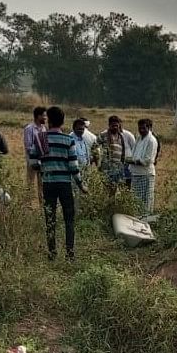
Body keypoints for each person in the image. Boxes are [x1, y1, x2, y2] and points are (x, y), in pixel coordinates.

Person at [31, 106, 86, 261]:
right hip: (65, 184)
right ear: (62, 122)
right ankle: (70, 254)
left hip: (48, 183)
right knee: (69, 219)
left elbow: (34, 162)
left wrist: (45, 167)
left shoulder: (40, 138)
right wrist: (81, 185)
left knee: (50, 219)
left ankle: (52, 253)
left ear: (49, 120)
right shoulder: (69, 140)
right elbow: (73, 167)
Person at [127, 118, 159, 216]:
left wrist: (133, 161)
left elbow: (147, 160)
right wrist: (130, 160)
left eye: (143, 128)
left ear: (149, 128)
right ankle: (136, 219)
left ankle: (145, 221)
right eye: (139, 128)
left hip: (146, 174)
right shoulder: (139, 138)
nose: (141, 130)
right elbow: (134, 154)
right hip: (135, 173)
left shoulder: (151, 141)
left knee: (145, 201)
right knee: (135, 199)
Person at [96, 115, 128, 192]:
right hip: (106, 168)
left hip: (118, 167)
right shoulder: (103, 135)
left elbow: (122, 154)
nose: (115, 127)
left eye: (117, 126)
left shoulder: (121, 136)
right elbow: (94, 147)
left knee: (115, 190)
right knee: (106, 189)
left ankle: (112, 204)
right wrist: (97, 162)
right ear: (109, 125)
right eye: (113, 126)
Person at [23, 106, 47, 202]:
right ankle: (28, 204)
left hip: (42, 159)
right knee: (30, 182)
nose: (45, 118)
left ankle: (42, 204)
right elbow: (28, 146)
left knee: (42, 184)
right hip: (33, 159)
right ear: (38, 116)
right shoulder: (29, 128)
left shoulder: (43, 128)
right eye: (44, 116)